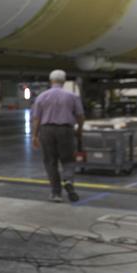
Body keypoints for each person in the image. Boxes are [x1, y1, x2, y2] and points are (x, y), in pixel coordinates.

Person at [31, 69, 85, 203]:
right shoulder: (72, 96)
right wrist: (79, 130)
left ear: (51, 81)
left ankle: (56, 193)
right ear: (64, 81)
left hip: (47, 131)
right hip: (66, 130)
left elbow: (36, 118)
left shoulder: (42, 96)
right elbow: (80, 115)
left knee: (50, 162)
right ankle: (68, 180)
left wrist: (35, 135)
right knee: (68, 160)